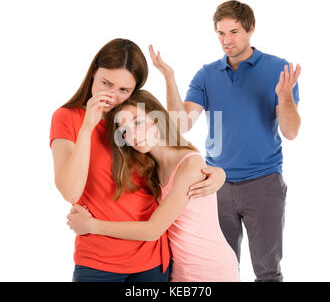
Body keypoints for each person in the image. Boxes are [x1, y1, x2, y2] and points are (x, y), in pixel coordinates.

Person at [148, 0, 301, 282]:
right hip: (215, 184)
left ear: (251, 29)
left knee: (268, 271)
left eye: (234, 32)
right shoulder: (207, 75)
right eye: (220, 33)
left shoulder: (278, 70)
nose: (226, 40)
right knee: (221, 268)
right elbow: (181, 124)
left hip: (263, 182)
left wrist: (284, 96)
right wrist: (169, 78)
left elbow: (291, 132)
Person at [50, 38, 227, 282]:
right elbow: (71, 192)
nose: (112, 96)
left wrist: (217, 173)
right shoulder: (67, 118)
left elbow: (174, 144)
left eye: (124, 90)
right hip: (99, 259)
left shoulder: (131, 116)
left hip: (152, 259)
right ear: (92, 74)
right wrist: (87, 127)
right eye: (106, 83)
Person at [67, 89, 240, 282]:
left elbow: (153, 230)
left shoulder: (189, 165)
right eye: (124, 131)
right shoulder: (151, 169)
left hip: (211, 268)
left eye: (138, 122)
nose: (132, 134)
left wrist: (91, 225)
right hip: (178, 269)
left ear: (157, 117)